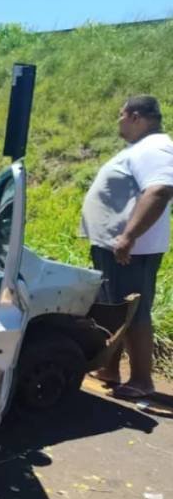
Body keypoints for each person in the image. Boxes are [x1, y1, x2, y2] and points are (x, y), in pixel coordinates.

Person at [81, 95, 173, 399]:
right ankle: (110, 368)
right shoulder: (142, 149)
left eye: (121, 115)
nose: (118, 121)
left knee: (134, 312)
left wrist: (129, 236)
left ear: (135, 116)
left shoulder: (155, 147)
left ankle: (142, 380)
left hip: (132, 251)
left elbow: (159, 190)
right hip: (117, 248)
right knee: (115, 308)